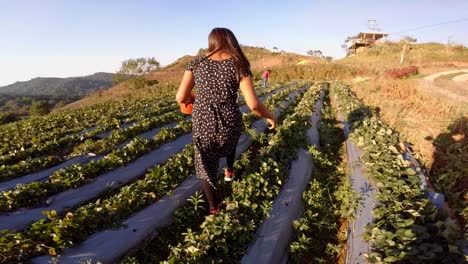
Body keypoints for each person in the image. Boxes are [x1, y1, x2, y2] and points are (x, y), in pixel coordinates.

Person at [176, 28, 277, 214]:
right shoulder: (239, 64)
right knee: (230, 143)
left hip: (202, 121)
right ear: (231, 41)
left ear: (211, 42)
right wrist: (271, 117)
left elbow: (180, 97)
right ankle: (229, 170)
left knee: (206, 163)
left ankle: (215, 208)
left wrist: (194, 99)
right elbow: (253, 104)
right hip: (229, 119)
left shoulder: (196, 63)